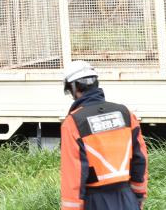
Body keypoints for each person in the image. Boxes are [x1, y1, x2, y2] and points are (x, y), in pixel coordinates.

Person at [60, 61, 148, 210]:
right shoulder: (125, 114)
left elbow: (73, 175)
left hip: (95, 201)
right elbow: (140, 159)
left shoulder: (73, 123)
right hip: (127, 197)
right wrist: (138, 196)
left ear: (75, 88)